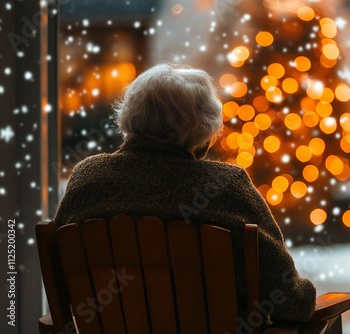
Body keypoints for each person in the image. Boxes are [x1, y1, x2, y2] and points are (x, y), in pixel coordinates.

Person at [53, 62, 316, 326]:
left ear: (130, 114)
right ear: (202, 126)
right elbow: (290, 303)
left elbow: (64, 282)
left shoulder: (87, 178)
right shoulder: (224, 185)